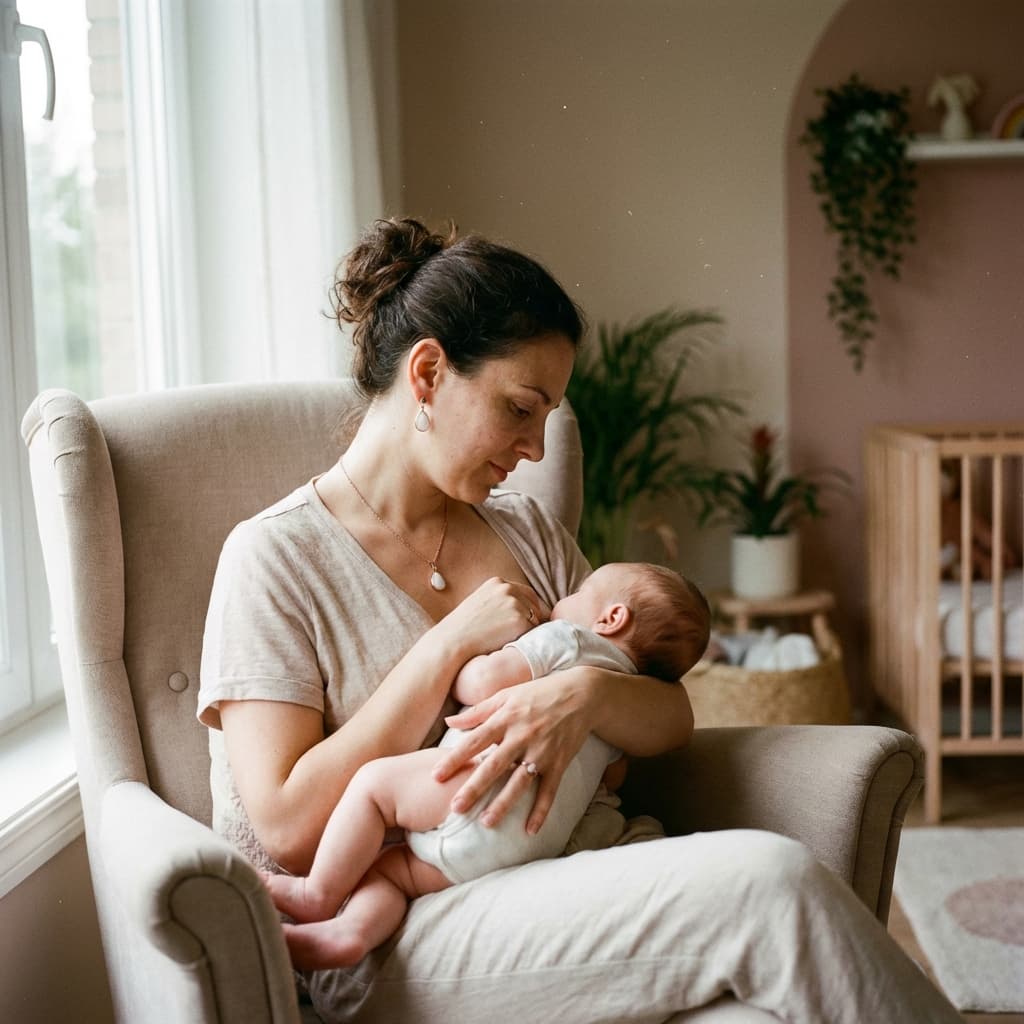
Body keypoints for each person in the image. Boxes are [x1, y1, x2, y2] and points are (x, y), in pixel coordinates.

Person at [198, 217, 961, 1022]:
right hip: (401, 923)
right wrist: (447, 646)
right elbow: (284, 823)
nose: (533, 449)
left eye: (547, 418)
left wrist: (582, 701)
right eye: (521, 409)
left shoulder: (525, 532)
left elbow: (668, 710)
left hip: (571, 878)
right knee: (772, 882)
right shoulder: (275, 560)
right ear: (428, 373)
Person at [261, 561, 710, 971]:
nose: (563, 597)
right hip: (531, 844)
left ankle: (317, 896)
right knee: (397, 874)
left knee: (375, 789)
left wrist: (475, 652)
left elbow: (479, 682)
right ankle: (345, 937)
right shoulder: (627, 694)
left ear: (611, 619)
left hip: (479, 792)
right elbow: (614, 777)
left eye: (580, 590)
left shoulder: (568, 639)